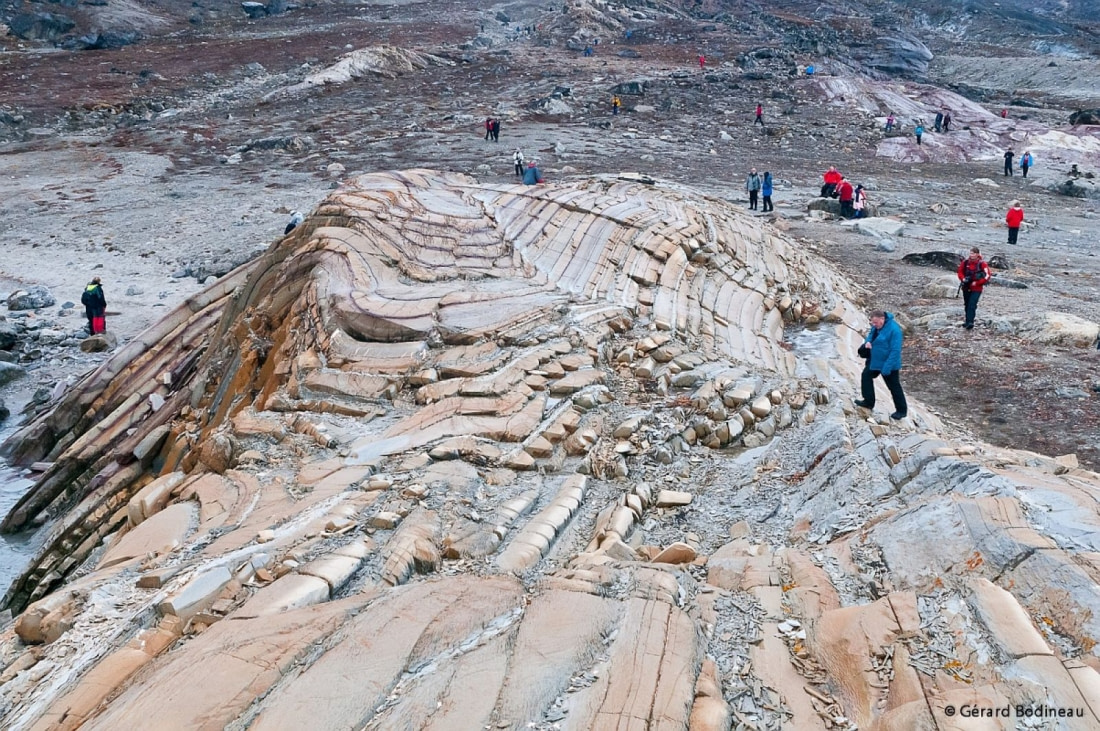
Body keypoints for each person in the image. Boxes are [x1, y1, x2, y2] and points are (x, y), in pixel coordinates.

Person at [855, 310, 907, 420]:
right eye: (872, 323)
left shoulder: (894, 330)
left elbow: (895, 351)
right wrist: (867, 342)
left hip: (889, 364)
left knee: (894, 387)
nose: (874, 325)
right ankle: (868, 401)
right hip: (875, 360)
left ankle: (901, 411)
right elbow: (871, 335)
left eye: (876, 323)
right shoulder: (877, 325)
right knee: (866, 376)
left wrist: (887, 368)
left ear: (882, 319)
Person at [957, 247, 991, 330]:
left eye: (973, 253)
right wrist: (963, 279)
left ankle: (970, 322)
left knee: (972, 304)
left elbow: (987, 275)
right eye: (971, 253)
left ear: (977, 254)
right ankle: (967, 320)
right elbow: (960, 272)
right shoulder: (965, 263)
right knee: (967, 304)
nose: (971, 255)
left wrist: (978, 282)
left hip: (977, 288)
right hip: (966, 286)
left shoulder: (982, 264)